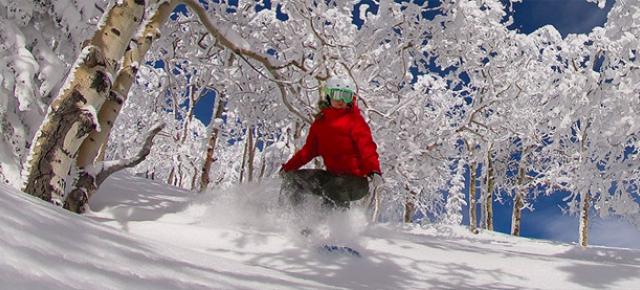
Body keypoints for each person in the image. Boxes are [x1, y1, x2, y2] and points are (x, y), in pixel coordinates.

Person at [280, 75, 383, 209]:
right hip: (332, 176)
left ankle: (334, 225)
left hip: (356, 181)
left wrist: (373, 170)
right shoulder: (321, 123)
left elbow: (367, 148)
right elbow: (308, 151)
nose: (340, 100)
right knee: (293, 180)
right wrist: (288, 168)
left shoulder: (355, 122)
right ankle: (294, 221)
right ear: (329, 96)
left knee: (334, 188)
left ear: (351, 98)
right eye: (336, 94)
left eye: (345, 96)